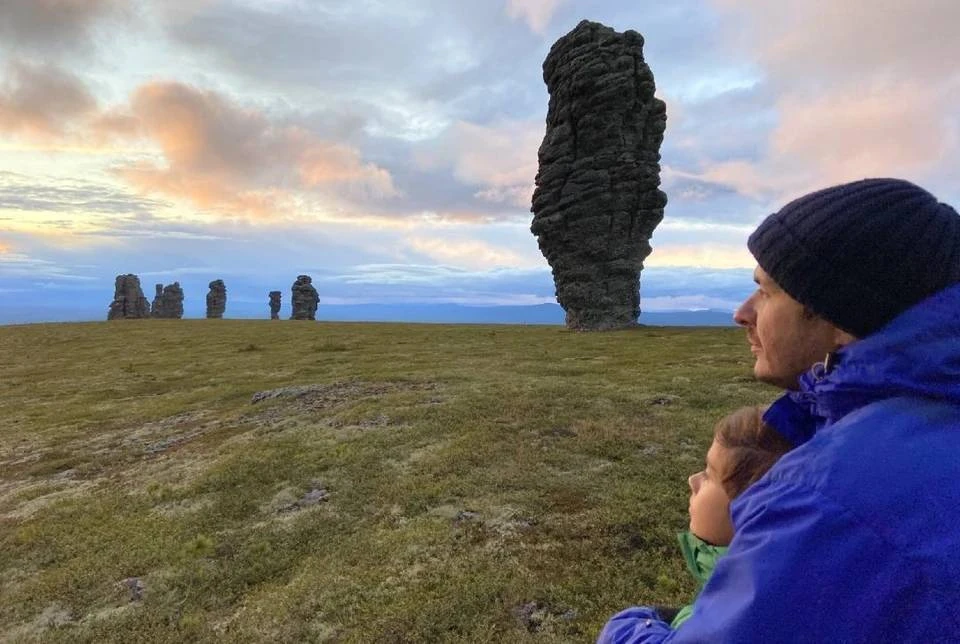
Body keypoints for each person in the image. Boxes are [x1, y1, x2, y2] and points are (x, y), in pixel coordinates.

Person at [598, 178, 960, 643]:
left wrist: (631, 627)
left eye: (766, 292)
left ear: (838, 317)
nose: (741, 313)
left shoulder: (829, 495)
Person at [659, 406, 793, 631]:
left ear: (752, 503)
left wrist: (630, 625)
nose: (693, 480)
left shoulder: (734, 613)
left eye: (710, 474)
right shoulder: (781, 578)